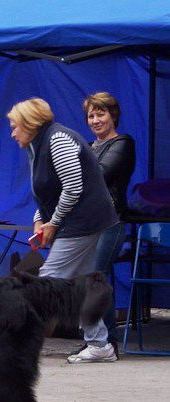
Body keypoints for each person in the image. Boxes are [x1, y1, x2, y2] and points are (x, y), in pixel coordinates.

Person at [7, 97, 119, 364]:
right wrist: (39, 220)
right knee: (79, 284)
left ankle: (17, 344)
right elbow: (47, 192)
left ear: (29, 124)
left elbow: (73, 188)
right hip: (79, 221)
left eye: (14, 126)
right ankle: (100, 345)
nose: (12, 133)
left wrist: (53, 223)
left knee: (45, 281)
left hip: (85, 221)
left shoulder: (58, 140)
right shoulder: (36, 144)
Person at [84, 92, 136, 350]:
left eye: (101, 113)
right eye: (91, 115)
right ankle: (95, 340)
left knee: (96, 275)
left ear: (113, 115)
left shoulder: (123, 143)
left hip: (111, 221)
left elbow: (101, 174)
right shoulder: (88, 147)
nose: (95, 120)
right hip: (86, 223)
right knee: (89, 277)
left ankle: (108, 341)